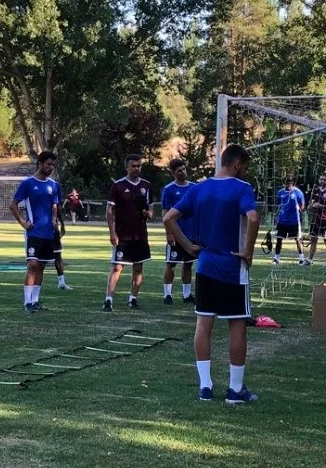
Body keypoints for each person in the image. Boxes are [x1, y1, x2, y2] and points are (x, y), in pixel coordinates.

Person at [163, 144, 261, 404]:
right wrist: (248, 251)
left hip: (204, 266)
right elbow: (252, 219)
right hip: (231, 268)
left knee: (203, 325)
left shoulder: (199, 188)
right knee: (237, 325)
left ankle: (205, 386)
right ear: (238, 164)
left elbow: (168, 218)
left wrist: (189, 246)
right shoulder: (242, 188)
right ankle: (235, 390)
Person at [10, 151, 60, 313]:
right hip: (33, 233)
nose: (51, 167)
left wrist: (54, 219)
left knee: (41, 266)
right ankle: (27, 303)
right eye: (48, 164)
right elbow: (13, 205)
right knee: (32, 265)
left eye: (53, 165)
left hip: (48, 234)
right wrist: (23, 223)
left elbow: (54, 205)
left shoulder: (53, 185)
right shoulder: (28, 183)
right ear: (40, 164)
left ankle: (35, 301)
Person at [103, 153, 153, 312]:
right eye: (133, 166)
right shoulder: (117, 186)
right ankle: (108, 300)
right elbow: (110, 211)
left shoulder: (146, 185)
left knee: (138, 268)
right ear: (127, 167)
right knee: (117, 267)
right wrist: (112, 232)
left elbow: (150, 207)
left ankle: (133, 299)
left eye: (138, 166)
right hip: (122, 234)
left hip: (140, 235)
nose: (136, 169)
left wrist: (149, 214)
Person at [161, 158, 195, 305]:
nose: (182, 172)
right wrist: (169, 233)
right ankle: (167, 294)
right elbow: (165, 213)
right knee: (171, 263)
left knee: (188, 264)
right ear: (173, 173)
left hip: (191, 234)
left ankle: (187, 294)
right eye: (179, 170)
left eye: (183, 169)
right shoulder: (169, 189)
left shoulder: (194, 187)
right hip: (176, 233)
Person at [272, 176, 306, 265]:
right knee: (279, 239)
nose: (288, 184)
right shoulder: (280, 192)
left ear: (293, 182)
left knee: (297, 239)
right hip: (282, 220)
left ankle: (301, 259)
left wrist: (300, 208)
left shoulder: (298, 192)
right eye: (286, 182)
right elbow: (279, 204)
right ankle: (276, 258)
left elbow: (302, 206)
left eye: (289, 182)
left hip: (294, 220)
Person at [307, 174, 326, 264]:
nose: (322, 181)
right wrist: (312, 205)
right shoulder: (316, 190)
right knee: (313, 239)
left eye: (324, 179)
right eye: (321, 179)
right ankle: (310, 259)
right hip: (315, 219)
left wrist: (321, 206)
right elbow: (311, 205)